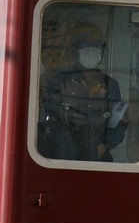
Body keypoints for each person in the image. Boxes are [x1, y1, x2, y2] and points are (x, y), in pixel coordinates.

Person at [39, 21, 128, 162]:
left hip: (100, 161)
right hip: (62, 160)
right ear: (73, 50)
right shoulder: (59, 84)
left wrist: (103, 148)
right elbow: (49, 124)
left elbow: (120, 122)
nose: (92, 50)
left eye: (97, 45)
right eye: (85, 45)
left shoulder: (110, 85)